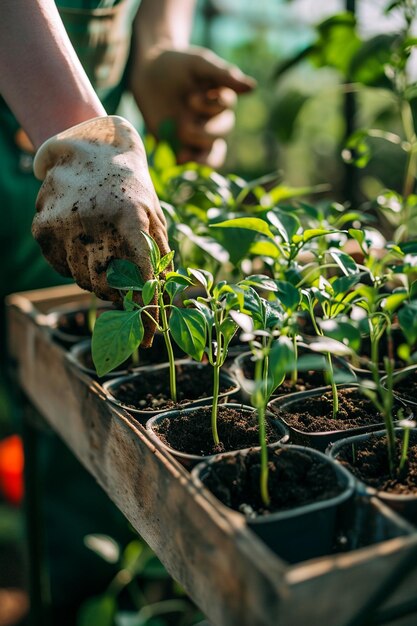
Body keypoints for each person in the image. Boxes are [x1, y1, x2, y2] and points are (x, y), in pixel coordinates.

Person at [0, 0, 255, 620]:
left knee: (79, 415)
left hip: (82, 158)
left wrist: (156, 48)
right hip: (74, 146)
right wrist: (81, 137)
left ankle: (83, 595)